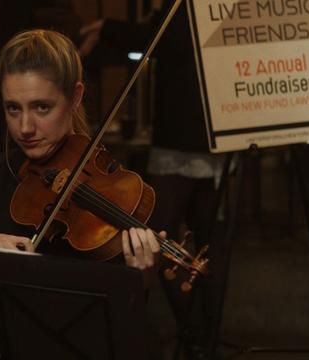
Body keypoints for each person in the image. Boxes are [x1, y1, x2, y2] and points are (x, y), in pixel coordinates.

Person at [0, 29, 165, 274]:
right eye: (13, 109)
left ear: (75, 97)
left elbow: (118, 309)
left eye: (42, 107)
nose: (25, 128)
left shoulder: (117, 193)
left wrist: (139, 279)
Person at [78, 2, 226, 359]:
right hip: (206, 128)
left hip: (185, 135)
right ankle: (204, 336)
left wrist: (106, 27)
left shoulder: (183, 9)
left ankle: (195, 336)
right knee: (205, 238)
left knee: (159, 234)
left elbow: (155, 41)